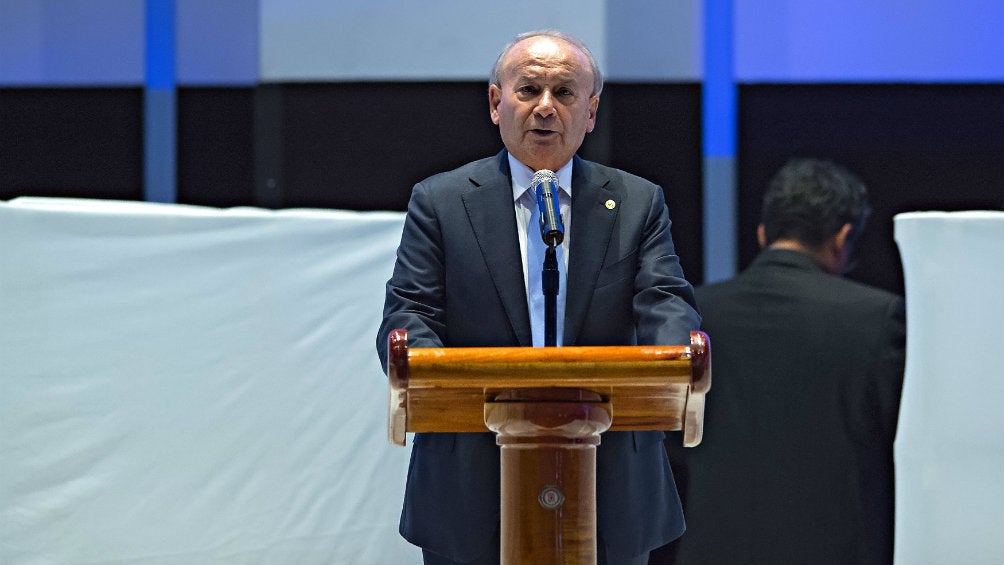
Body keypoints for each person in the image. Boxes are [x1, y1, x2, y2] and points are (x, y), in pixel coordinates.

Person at [376, 30, 701, 565]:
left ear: (590, 112)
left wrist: (677, 359)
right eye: (528, 90)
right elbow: (411, 311)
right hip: (468, 480)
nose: (546, 107)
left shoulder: (637, 202)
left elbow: (664, 299)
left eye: (565, 93)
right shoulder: (441, 202)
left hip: (611, 479)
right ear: (496, 103)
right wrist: (432, 373)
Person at [665, 159, 906, 565]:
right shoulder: (878, 318)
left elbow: (668, 440)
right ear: (843, 238)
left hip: (709, 550)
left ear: (763, 233)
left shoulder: (694, 314)